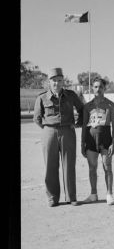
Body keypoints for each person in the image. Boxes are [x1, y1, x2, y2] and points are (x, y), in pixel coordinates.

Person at [33, 68, 84, 207]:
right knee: (50, 166)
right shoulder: (42, 97)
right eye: (54, 81)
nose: (57, 83)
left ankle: (71, 197)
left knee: (69, 165)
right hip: (49, 132)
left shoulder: (71, 95)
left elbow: (81, 109)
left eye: (59, 80)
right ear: (49, 82)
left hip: (67, 131)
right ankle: (52, 198)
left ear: (63, 82)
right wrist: (47, 129)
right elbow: (37, 118)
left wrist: (77, 123)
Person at [81, 77, 114, 205]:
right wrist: (82, 143)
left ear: (104, 88)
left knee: (107, 166)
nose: (98, 89)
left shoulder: (110, 105)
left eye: (100, 87)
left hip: (105, 139)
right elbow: (84, 126)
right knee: (92, 168)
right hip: (91, 141)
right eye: (96, 87)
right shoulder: (87, 106)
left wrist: (113, 142)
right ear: (92, 88)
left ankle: (109, 194)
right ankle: (93, 194)